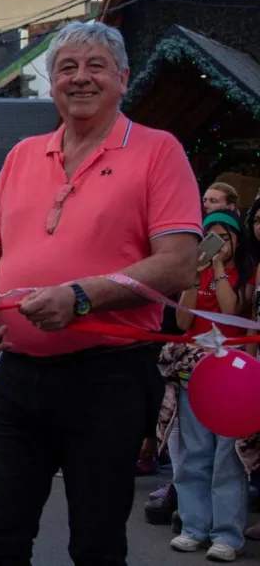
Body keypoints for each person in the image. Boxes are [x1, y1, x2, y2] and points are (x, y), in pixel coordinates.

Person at [0, 21, 202, 566]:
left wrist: (82, 295)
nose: (80, 78)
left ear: (123, 78)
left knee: (95, 541)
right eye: (66, 68)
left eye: (95, 66)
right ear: (51, 84)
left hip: (109, 379)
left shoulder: (157, 150)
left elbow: (178, 264)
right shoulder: (24, 155)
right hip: (18, 377)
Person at [158, 209, 256, 561]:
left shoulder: (245, 274)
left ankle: (227, 534)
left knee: (227, 458)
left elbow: (232, 309)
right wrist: (192, 278)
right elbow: (183, 321)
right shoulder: (192, 275)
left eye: (224, 237)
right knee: (192, 454)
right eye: (211, 236)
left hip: (230, 374)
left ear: (236, 242)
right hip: (193, 370)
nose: (218, 243)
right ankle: (193, 526)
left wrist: (217, 271)